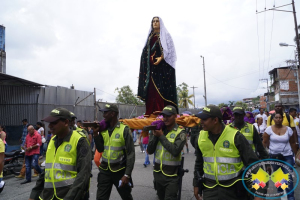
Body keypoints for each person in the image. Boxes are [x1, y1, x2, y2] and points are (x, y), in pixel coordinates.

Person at [193, 105, 259, 200]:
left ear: (215, 120)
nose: (201, 122)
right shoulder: (200, 136)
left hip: (233, 190)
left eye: (204, 119)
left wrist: (259, 191)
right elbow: (199, 164)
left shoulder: (235, 136)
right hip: (210, 189)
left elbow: (253, 164)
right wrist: (196, 185)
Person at [29, 107, 91, 200]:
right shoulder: (52, 141)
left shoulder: (80, 141)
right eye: (49, 123)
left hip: (69, 195)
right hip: (49, 195)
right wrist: (34, 194)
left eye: (54, 123)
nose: (50, 126)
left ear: (66, 122)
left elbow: (83, 175)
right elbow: (47, 170)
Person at [93, 103, 135, 200]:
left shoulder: (124, 129)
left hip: (120, 171)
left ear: (113, 114)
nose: (103, 116)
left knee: (126, 197)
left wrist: (127, 175)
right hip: (104, 170)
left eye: (105, 113)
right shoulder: (103, 130)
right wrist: (96, 134)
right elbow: (100, 149)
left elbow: (130, 153)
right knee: (100, 198)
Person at [137, 16, 178, 115]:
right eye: (153, 21)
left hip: (162, 69)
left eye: (157, 21)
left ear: (160, 23)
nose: (155, 23)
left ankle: (161, 110)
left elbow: (171, 51)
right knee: (150, 90)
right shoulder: (150, 37)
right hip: (150, 69)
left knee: (161, 89)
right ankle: (150, 111)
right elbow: (145, 52)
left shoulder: (166, 36)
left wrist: (161, 58)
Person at [147, 105, 186, 200]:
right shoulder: (158, 129)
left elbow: (175, 151)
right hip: (158, 174)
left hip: (171, 177)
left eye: (168, 116)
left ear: (175, 116)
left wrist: (161, 136)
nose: (165, 118)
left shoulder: (180, 132)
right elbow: (150, 150)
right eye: (164, 116)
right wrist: (154, 135)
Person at [263, 112, 297, 200]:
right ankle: (280, 190)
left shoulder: (288, 129)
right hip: (274, 156)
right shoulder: (269, 130)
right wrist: (264, 155)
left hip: (287, 155)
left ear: (282, 119)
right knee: (277, 175)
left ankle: (291, 197)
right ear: (274, 119)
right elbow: (264, 142)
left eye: (280, 117)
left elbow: (292, 142)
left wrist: (296, 154)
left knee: (288, 176)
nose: (278, 119)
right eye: (276, 118)